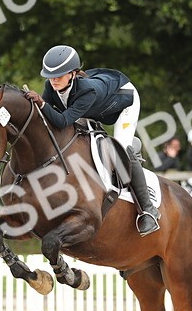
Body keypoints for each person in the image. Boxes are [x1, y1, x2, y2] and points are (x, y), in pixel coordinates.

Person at [23, 45, 161, 236]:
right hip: (92, 107)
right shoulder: (51, 86)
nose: (53, 80)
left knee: (122, 148)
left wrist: (42, 103)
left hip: (123, 102)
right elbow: (46, 118)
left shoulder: (87, 91)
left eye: (59, 76)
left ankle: (148, 210)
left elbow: (62, 121)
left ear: (72, 74)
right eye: (50, 76)